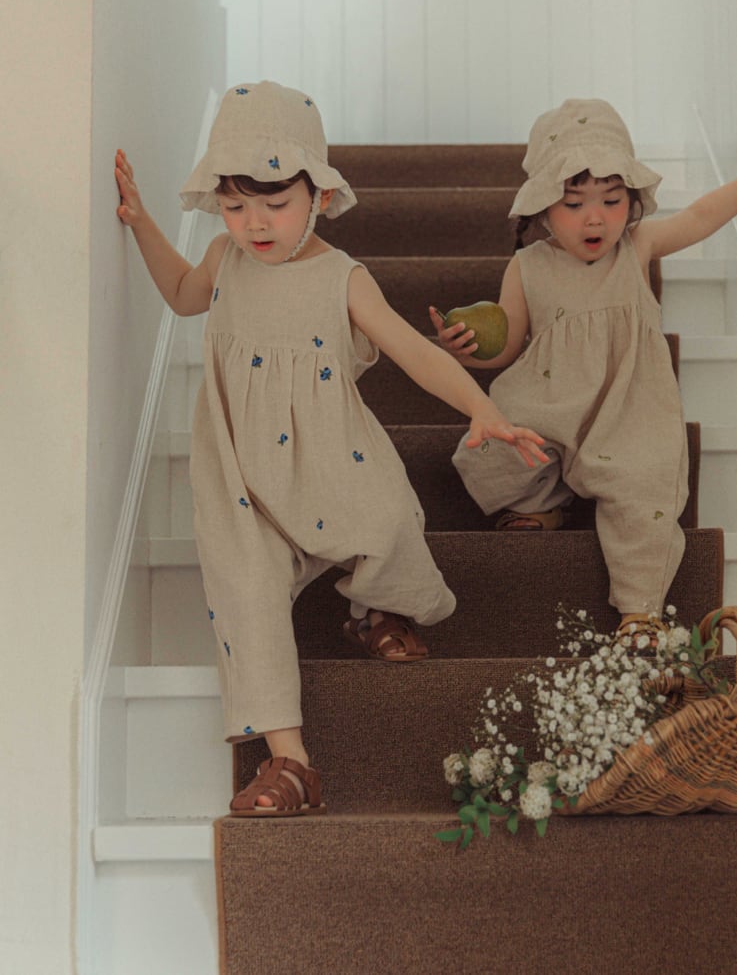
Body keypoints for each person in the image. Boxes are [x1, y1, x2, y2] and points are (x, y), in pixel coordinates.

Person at [115, 80, 547, 816]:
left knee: (388, 521)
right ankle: (290, 764)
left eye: (275, 204)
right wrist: (140, 224)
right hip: (243, 475)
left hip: (330, 458)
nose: (254, 223)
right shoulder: (225, 258)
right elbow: (183, 295)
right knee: (245, 591)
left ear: (317, 194)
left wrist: (481, 405)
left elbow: (414, 352)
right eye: (235, 205)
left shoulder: (343, 277)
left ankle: (377, 610)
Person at [430, 98, 737, 643]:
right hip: (549, 398)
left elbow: (700, 217)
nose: (595, 217)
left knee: (646, 485)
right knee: (494, 448)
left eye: (611, 200)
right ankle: (541, 503)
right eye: (574, 203)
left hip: (630, 405)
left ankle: (639, 611)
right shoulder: (528, 265)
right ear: (543, 209)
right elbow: (507, 346)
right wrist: (465, 350)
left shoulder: (636, 246)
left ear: (631, 201)